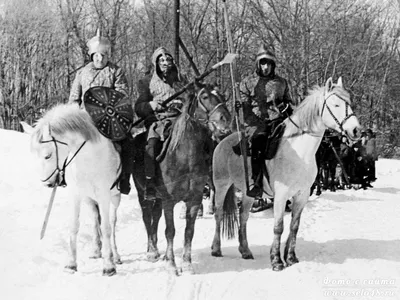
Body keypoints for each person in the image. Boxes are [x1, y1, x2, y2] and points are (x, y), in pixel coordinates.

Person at [68, 29, 133, 195]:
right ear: (91, 55)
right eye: (96, 55)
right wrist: (74, 115)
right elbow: (74, 97)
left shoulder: (116, 71)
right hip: (86, 118)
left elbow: (122, 94)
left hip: (109, 118)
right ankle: (65, 174)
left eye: (103, 55)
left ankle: (124, 178)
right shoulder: (82, 73)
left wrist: (108, 105)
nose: (100, 58)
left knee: (127, 143)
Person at [234, 44, 294, 198]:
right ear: (258, 64)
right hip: (256, 121)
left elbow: (288, 101)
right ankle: (257, 182)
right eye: (263, 63)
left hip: (278, 120)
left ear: (273, 65)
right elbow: (245, 108)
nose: (265, 67)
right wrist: (240, 106)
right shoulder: (248, 82)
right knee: (259, 142)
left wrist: (286, 107)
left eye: (268, 63)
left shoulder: (282, 82)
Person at [135, 47, 188, 202]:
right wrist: (151, 105)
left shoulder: (180, 80)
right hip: (158, 122)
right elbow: (139, 107)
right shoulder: (146, 83)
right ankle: (150, 182)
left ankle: (204, 180)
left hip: (180, 121)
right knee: (150, 146)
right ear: (156, 63)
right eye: (162, 60)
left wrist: (182, 103)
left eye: (168, 60)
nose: (166, 63)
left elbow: (191, 98)